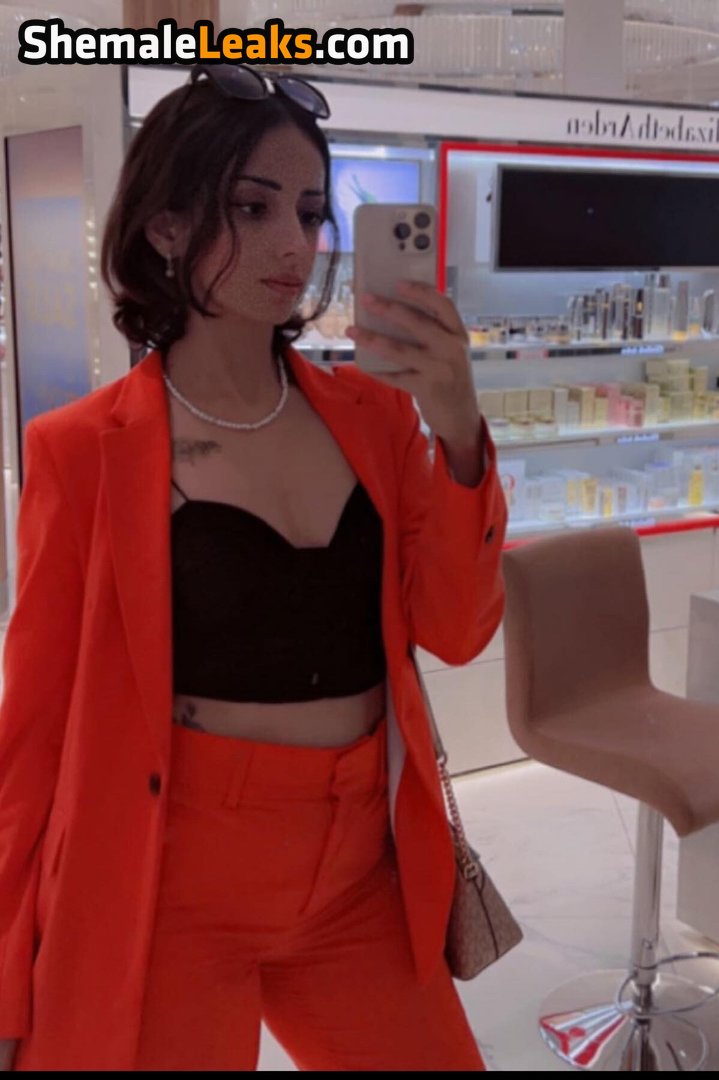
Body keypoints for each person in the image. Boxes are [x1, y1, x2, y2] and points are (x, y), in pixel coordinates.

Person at [0, 64, 507, 1071]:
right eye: (251, 206)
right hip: (172, 881)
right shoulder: (84, 449)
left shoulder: (374, 420)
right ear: (166, 226)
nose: (293, 245)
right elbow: (35, 730)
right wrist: (11, 973)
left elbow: (457, 632)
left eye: (310, 212)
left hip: (358, 870)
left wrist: (458, 434)